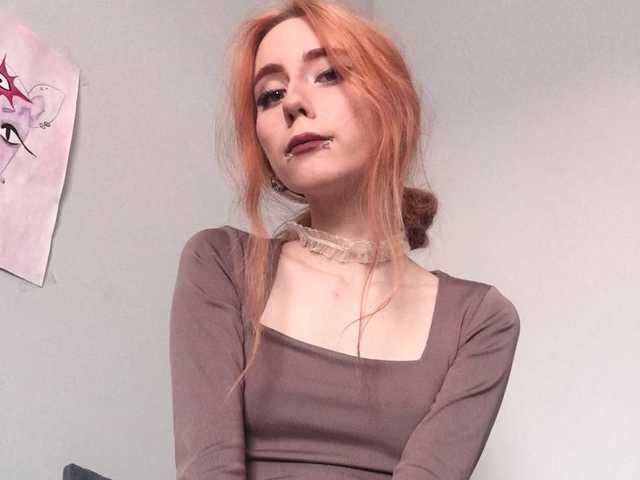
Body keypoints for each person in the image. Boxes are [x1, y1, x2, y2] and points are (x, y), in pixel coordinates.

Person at [169, 1, 521, 479]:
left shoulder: (479, 320)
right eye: (270, 95)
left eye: (328, 74)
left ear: (390, 101)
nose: (292, 103)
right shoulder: (221, 264)